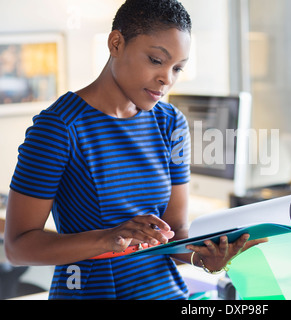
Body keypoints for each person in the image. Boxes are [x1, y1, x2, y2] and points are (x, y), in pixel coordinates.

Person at [4, 0, 266, 300]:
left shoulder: (171, 124)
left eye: (177, 68)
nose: (167, 78)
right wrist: (108, 239)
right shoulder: (60, 128)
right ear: (116, 43)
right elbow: (17, 248)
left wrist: (205, 259)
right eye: (156, 60)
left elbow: (176, 231)